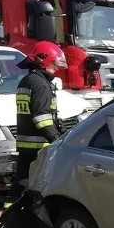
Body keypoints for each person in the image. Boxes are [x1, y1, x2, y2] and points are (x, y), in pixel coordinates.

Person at [10, 41, 67, 200]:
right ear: (43, 61)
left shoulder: (27, 80)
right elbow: (41, 117)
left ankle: (11, 216)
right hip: (39, 146)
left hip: (25, 143)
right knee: (40, 185)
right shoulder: (40, 84)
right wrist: (56, 138)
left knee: (22, 182)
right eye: (54, 64)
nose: (56, 69)